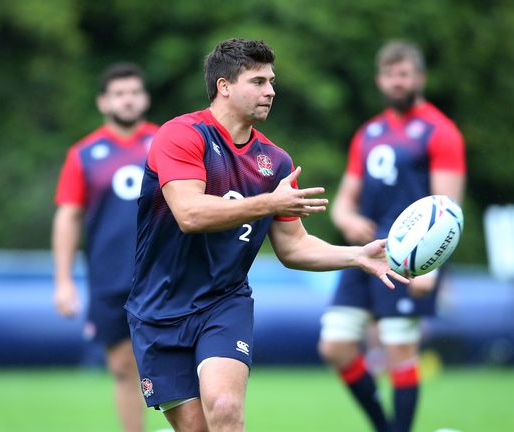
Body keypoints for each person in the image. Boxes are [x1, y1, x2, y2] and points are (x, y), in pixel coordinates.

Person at [124, 38, 410, 432]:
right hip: (158, 308)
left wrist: (357, 255)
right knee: (195, 428)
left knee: (224, 407)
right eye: (258, 81)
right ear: (224, 86)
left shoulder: (275, 162)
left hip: (223, 303)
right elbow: (190, 213)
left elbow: (294, 247)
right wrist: (269, 204)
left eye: (271, 81)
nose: (271, 90)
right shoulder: (182, 135)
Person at [318, 40, 467, 432]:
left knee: (399, 349)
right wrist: (348, 220)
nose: (396, 82)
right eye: (389, 75)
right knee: (334, 346)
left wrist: (431, 270)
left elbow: (448, 211)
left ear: (419, 77)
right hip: (364, 254)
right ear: (379, 80)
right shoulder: (368, 133)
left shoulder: (440, 131)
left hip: (408, 259)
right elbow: (343, 203)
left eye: (403, 74)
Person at [52, 62, 157, 432]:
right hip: (110, 277)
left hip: (164, 273)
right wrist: (63, 280)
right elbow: (68, 217)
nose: (127, 100)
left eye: (133, 92)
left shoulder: (166, 143)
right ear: (103, 102)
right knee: (123, 367)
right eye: (118, 94)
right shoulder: (83, 153)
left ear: (144, 98)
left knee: (180, 362)